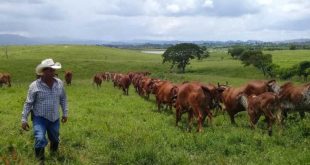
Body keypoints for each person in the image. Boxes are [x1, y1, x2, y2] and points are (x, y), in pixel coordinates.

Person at [21, 58, 68, 162]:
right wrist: (24, 119)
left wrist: (65, 113)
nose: (52, 72)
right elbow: (28, 103)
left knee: (55, 139)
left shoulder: (59, 83)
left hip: (55, 118)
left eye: (53, 70)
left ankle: (53, 155)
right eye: (49, 70)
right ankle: (40, 161)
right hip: (39, 118)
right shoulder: (34, 86)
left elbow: (63, 98)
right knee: (40, 138)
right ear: (43, 72)